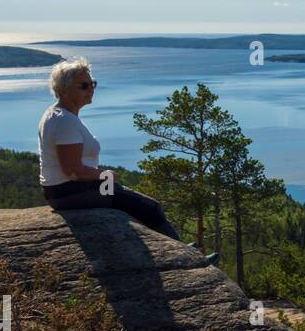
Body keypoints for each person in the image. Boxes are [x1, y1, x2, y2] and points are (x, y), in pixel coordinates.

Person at [38, 57, 194, 247]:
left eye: (92, 84)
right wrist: (105, 174)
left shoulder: (58, 115)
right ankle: (184, 255)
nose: (91, 89)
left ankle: (178, 250)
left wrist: (103, 177)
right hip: (71, 192)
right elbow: (73, 171)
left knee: (130, 200)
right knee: (150, 208)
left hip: (67, 190)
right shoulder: (65, 122)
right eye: (84, 85)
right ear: (63, 89)